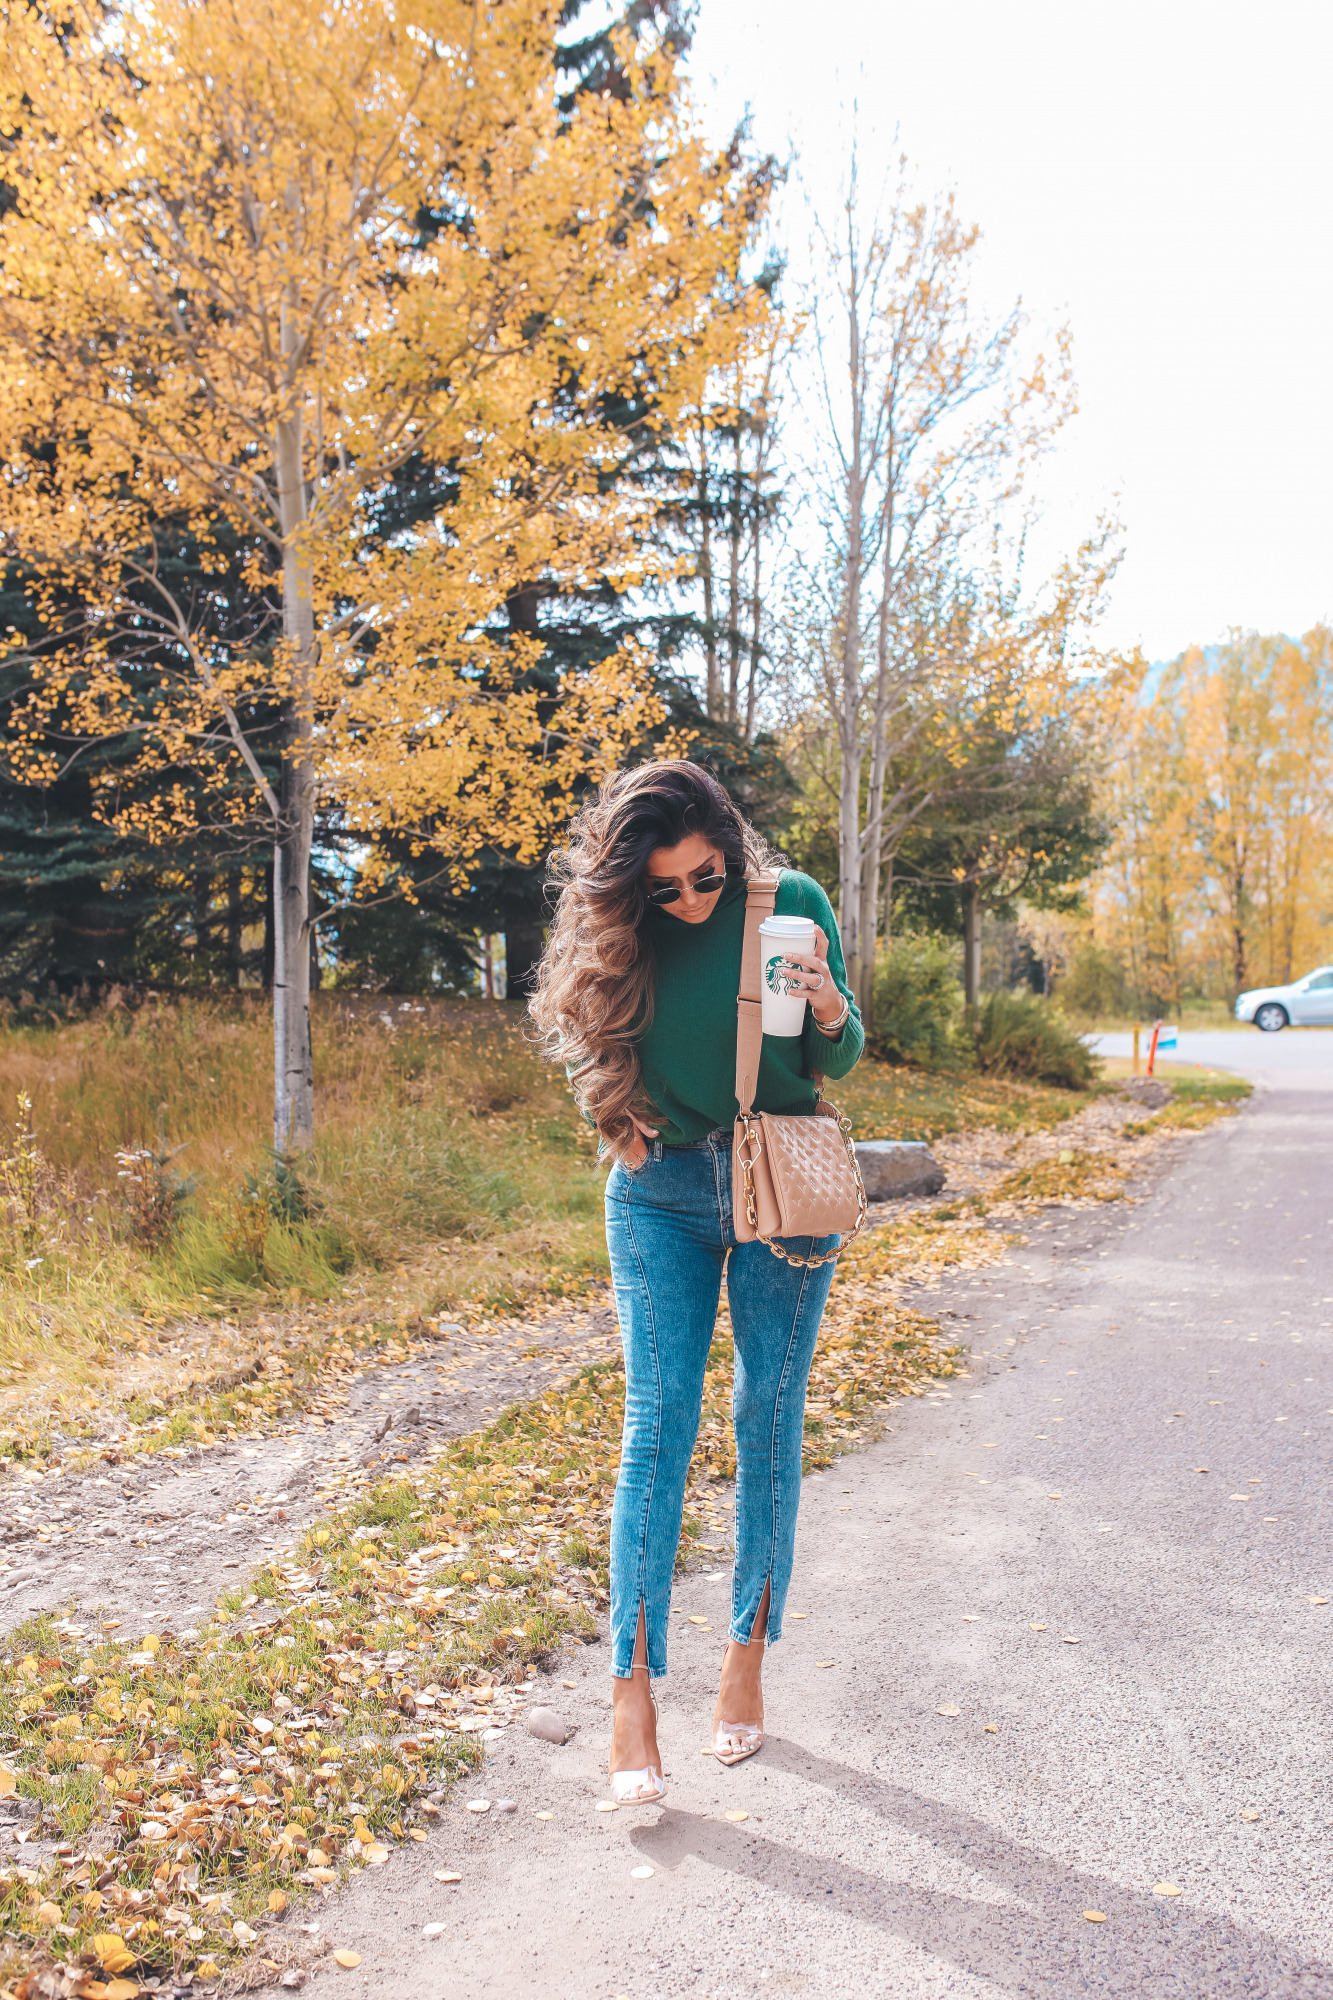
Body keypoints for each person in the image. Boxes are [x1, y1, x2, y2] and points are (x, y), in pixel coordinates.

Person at [530, 760, 864, 1803]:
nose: (687, 899)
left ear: (729, 842)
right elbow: (579, 1034)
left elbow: (842, 1053)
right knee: (656, 1422)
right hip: (659, 1188)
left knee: (766, 1416)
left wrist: (824, 1001)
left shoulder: (792, 902)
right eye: (666, 887)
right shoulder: (620, 923)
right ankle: (629, 1692)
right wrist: (608, 1108)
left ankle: (745, 1657)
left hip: (783, 1182)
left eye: (703, 877)